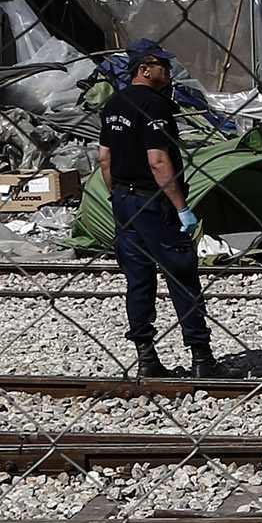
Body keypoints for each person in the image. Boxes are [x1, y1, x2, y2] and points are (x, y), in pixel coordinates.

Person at [97, 38, 223, 380]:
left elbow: (104, 159)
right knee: (182, 274)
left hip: (124, 201)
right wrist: (181, 207)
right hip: (154, 201)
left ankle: (146, 356)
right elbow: (157, 160)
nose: (168, 71)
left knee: (138, 280)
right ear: (144, 69)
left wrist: (117, 198)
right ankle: (201, 356)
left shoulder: (113, 104)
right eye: (162, 66)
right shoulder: (155, 106)